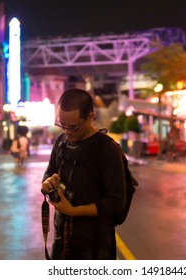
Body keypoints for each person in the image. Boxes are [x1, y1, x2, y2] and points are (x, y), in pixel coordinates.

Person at [41, 88, 126, 260]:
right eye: (62, 125)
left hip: (94, 245)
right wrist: (46, 184)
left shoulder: (106, 149)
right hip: (62, 238)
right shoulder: (61, 141)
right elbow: (50, 171)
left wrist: (74, 211)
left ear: (90, 117)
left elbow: (116, 202)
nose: (67, 132)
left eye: (73, 127)